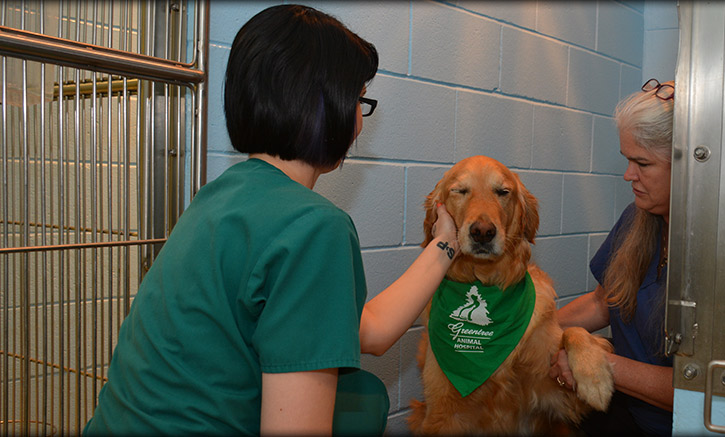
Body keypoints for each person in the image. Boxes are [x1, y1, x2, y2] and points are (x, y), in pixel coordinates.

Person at [83, 5, 459, 436]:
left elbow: (369, 331)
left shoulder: (221, 197)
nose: (358, 119)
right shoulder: (315, 228)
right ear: (326, 105)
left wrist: (446, 242)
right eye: (357, 99)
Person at [549, 78, 675, 436]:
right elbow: (605, 302)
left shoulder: (717, 253)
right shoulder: (639, 219)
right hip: (624, 411)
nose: (628, 175)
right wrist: (524, 335)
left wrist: (598, 364)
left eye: (643, 164)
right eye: (627, 160)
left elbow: (698, 387)